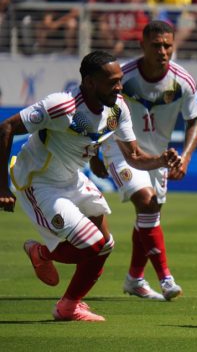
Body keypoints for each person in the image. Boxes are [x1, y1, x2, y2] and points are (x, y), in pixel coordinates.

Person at [0, 50, 182, 321]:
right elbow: (6, 128)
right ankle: (40, 252)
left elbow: (133, 156)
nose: (119, 86)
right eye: (112, 81)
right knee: (92, 244)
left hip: (72, 179)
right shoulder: (62, 106)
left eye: (120, 79)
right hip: (39, 182)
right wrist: (2, 187)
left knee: (105, 244)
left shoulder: (117, 107)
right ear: (89, 82)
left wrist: (160, 161)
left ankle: (69, 306)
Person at [90, 21, 197, 301]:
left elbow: (194, 121)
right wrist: (94, 152)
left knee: (149, 216)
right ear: (142, 46)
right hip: (121, 150)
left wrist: (186, 158)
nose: (163, 51)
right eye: (156, 45)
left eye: (168, 45)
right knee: (146, 202)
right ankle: (166, 279)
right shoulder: (123, 78)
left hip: (158, 157)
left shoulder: (183, 81)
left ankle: (134, 279)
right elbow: (96, 111)